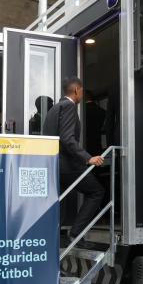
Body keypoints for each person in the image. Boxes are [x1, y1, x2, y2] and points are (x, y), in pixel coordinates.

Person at [43, 76, 105, 244]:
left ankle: (53, 244)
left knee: (60, 205)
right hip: (68, 164)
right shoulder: (69, 107)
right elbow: (67, 139)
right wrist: (88, 158)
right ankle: (76, 234)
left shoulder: (54, 109)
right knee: (96, 192)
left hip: (54, 164)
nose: (82, 94)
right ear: (77, 90)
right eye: (82, 91)